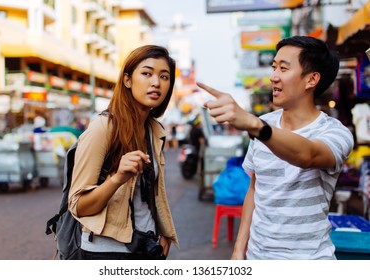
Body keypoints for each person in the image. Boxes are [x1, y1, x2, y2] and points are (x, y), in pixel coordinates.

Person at [198, 36, 354, 260]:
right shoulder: (264, 124)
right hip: (257, 258)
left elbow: (307, 155)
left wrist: (254, 125)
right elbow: (254, 189)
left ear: (311, 79)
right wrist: (238, 249)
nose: (273, 77)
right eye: (274, 67)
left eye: (283, 68)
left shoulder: (336, 133)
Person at [69, 45, 178, 260]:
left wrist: (163, 231)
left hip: (147, 246)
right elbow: (78, 206)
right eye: (146, 73)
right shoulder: (103, 128)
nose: (156, 83)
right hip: (107, 252)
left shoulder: (154, 131)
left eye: (164, 77)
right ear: (127, 80)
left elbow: (153, 194)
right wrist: (117, 178)